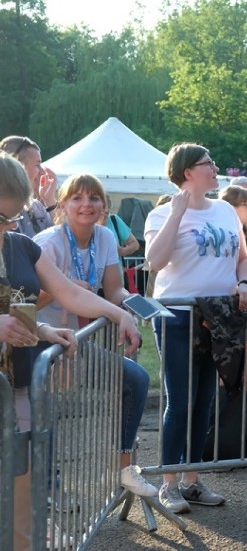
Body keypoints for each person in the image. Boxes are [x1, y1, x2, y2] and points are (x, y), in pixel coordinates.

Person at [0, 152, 140, 550]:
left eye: (12, 219)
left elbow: (69, 292)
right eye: (0, 219)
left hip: (20, 389)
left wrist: (117, 313)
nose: (6, 229)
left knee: (23, 496)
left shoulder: (23, 246)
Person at [145, 143, 247, 513]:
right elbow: (155, 263)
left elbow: (244, 259)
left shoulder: (225, 209)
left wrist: (243, 283)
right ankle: (168, 482)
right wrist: (176, 214)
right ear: (187, 172)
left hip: (219, 317)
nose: (215, 167)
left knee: (205, 402)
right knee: (180, 402)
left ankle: (192, 480)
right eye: (207, 163)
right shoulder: (161, 214)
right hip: (178, 316)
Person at [33, 173, 157, 494]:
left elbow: (114, 291)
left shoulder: (104, 238)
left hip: (75, 341)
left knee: (136, 379)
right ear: (63, 204)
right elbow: (26, 301)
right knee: (39, 415)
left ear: (104, 205)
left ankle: (123, 468)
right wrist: (66, 286)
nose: (86, 205)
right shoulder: (47, 242)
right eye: (77, 198)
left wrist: (136, 304)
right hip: (40, 342)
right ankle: (44, 490)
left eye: (93, 198)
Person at [219, 185, 247, 394]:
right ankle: (218, 423)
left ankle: (244, 422)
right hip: (225, 316)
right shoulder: (219, 237)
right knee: (222, 379)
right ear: (230, 208)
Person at [0, 136, 59, 237]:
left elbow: (63, 241)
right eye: (37, 165)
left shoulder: (37, 207)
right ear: (18, 166)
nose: (43, 171)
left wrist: (50, 200)